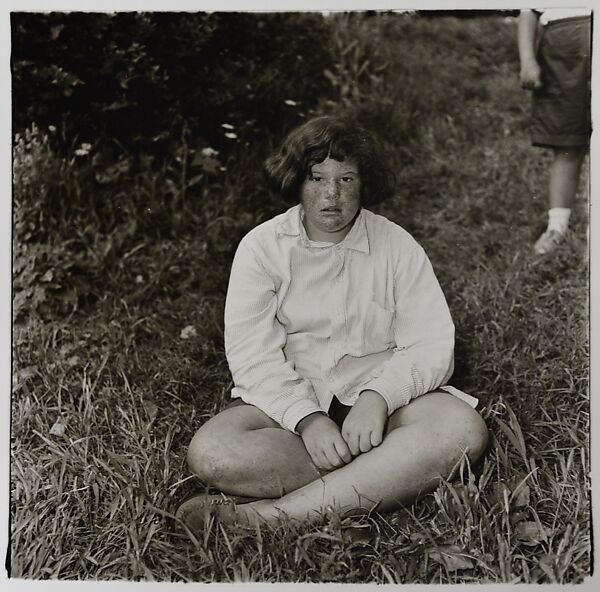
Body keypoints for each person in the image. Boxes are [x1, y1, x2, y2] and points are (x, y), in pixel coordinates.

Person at [176, 116, 489, 529]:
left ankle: (273, 518)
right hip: (292, 409)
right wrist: (308, 420)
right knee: (212, 452)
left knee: (461, 429)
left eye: (346, 179)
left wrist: (378, 397)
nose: (331, 195)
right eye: (316, 177)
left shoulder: (396, 245)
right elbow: (253, 359)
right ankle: (388, 474)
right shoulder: (261, 249)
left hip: (386, 409)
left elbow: (432, 344)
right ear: (295, 181)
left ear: (365, 183)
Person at [518, 8, 591, 255]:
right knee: (568, 142)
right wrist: (527, 60)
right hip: (563, 49)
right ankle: (557, 227)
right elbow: (528, 11)